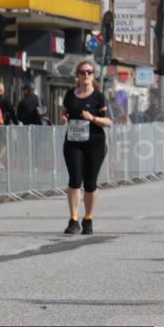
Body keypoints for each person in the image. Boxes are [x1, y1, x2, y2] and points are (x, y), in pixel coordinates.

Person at [60, 60, 112, 235]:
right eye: (82, 72)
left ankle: (88, 218)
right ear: (78, 75)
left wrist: (93, 118)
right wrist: (64, 118)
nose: (86, 75)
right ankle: (73, 220)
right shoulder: (70, 94)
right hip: (73, 143)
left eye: (89, 72)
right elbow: (64, 111)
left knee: (90, 183)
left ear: (93, 75)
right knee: (74, 180)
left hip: (94, 143)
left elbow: (109, 122)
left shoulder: (98, 96)